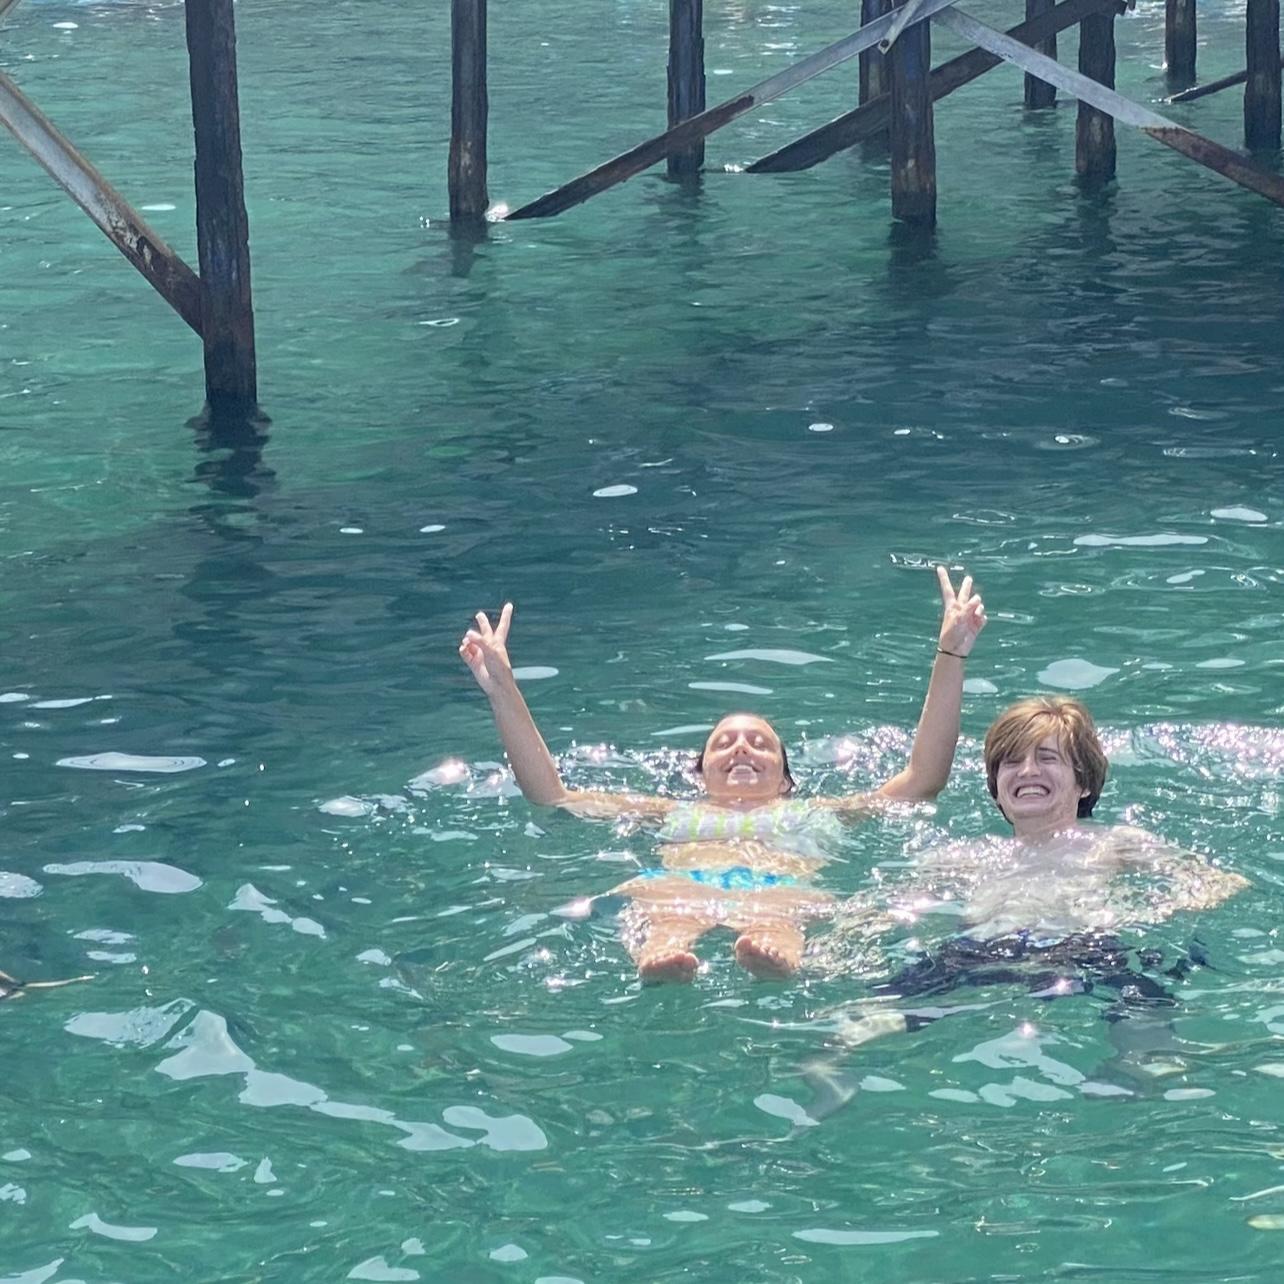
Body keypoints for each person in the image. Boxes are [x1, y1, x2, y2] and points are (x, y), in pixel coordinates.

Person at [458, 566, 986, 983]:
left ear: (785, 778)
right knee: (662, 903)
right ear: (701, 773)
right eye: (723, 743)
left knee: (776, 915)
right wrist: (503, 688)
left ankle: (775, 956)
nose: (741, 748)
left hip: (777, 888)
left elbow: (923, 780)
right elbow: (551, 794)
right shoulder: (668, 811)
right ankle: (665, 953)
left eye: (760, 743)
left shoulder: (815, 812)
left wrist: (951, 653)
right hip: (680, 887)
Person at [825, 695, 1250, 1052]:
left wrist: (1150, 909)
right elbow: (890, 902)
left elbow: (1219, 882)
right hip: (975, 954)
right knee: (858, 1020)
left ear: (1083, 783)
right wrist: (849, 925)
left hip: (1082, 950)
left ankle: (1144, 1066)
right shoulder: (964, 857)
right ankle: (830, 1069)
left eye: (1047, 758)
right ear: (996, 787)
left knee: (1145, 1003)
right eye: (1010, 763)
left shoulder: (1114, 841)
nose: (1027, 770)